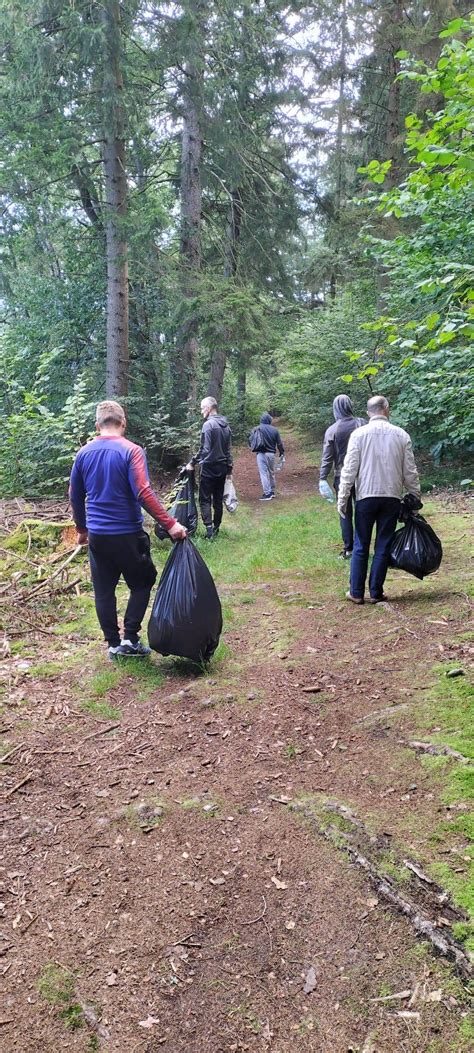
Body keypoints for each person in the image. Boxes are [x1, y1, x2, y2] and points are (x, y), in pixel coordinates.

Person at [69, 400, 187, 659]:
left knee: (103, 590)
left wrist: (82, 529)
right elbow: (143, 491)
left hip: (98, 535)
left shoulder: (84, 453)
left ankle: (113, 645)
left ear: (97, 425)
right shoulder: (131, 451)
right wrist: (171, 524)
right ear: (123, 423)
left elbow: (75, 496)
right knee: (142, 582)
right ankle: (130, 639)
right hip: (127, 534)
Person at [337, 395, 421, 604]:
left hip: (365, 496)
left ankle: (356, 592)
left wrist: (343, 496)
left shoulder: (358, 435)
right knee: (383, 545)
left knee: (360, 544)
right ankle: (376, 592)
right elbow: (410, 472)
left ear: (368, 413)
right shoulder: (401, 435)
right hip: (391, 497)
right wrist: (415, 498)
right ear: (386, 409)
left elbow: (349, 469)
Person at [319, 394, 365, 558]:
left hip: (341, 476)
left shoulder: (332, 430)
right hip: (363, 475)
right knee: (362, 511)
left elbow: (327, 456)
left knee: (345, 512)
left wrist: (322, 477)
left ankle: (349, 548)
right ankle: (362, 546)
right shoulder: (362, 423)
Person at [186, 396, 233, 539]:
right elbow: (229, 450)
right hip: (223, 467)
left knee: (205, 499)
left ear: (208, 408)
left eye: (202, 408)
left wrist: (192, 463)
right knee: (218, 499)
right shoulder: (226, 425)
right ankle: (216, 527)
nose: (201, 411)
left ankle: (209, 531)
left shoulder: (208, 425)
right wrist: (229, 469)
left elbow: (204, 450)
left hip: (209, 468)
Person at [251, 413, 285, 501]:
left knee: (263, 473)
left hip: (260, 453)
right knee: (271, 473)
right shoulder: (274, 430)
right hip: (271, 454)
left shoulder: (257, 428)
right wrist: (282, 452)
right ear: (269, 420)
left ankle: (267, 493)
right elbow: (279, 443)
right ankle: (272, 491)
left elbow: (251, 441)